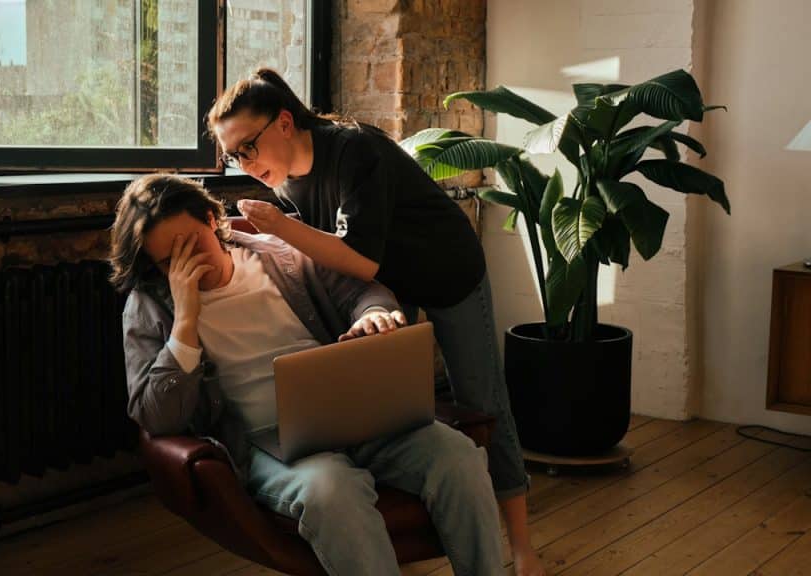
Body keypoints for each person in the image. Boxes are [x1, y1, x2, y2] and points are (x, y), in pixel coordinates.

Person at [207, 68, 546, 576]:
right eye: (234, 155)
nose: (245, 164)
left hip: (446, 271)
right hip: (383, 288)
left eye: (248, 147)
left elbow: (359, 259)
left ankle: (521, 547)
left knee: (482, 400)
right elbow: (334, 263)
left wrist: (277, 228)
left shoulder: (352, 151)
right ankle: (385, 541)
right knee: (388, 408)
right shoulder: (284, 182)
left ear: (282, 122)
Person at [110, 174, 504, 576]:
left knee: (457, 457)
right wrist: (186, 322)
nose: (187, 265)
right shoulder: (149, 308)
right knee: (332, 493)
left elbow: (361, 292)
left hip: (354, 414)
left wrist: (375, 314)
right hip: (271, 444)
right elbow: (155, 415)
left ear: (212, 218)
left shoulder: (279, 254)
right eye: (168, 261)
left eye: (193, 245)